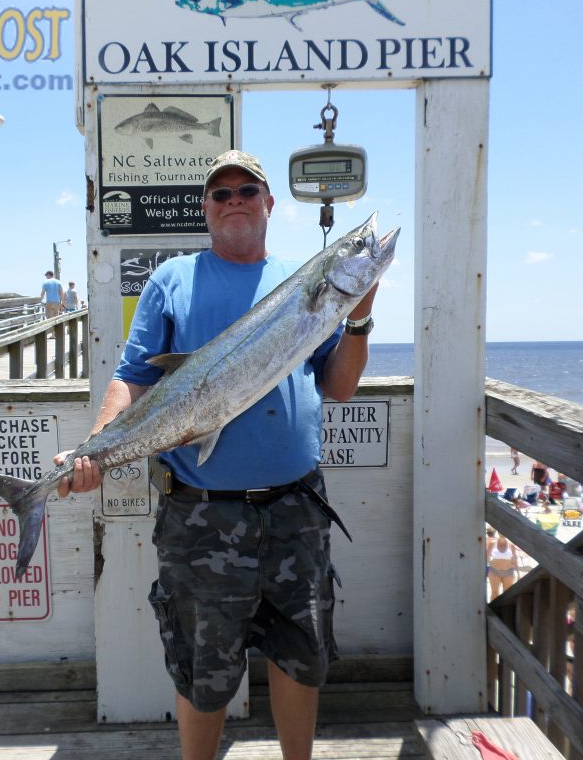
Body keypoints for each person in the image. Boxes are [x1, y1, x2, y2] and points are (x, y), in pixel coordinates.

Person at [54, 149, 379, 760]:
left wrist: (358, 321)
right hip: (200, 516)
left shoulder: (299, 282)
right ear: (205, 208)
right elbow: (132, 378)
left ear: (268, 204)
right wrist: (97, 447)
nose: (234, 201)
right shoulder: (171, 280)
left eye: (247, 191)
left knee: (300, 656)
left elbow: (337, 386)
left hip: (295, 509)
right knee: (203, 665)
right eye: (221, 194)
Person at [486, 528, 521, 600]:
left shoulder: (511, 545)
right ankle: (493, 610)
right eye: (501, 532)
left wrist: (518, 574)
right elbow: (487, 558)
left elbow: (515, 560)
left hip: (508, 572)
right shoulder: (492, 544)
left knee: (508, 594)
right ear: (498, 533)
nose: (503, 534)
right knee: (494, 593)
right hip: (494, 572)